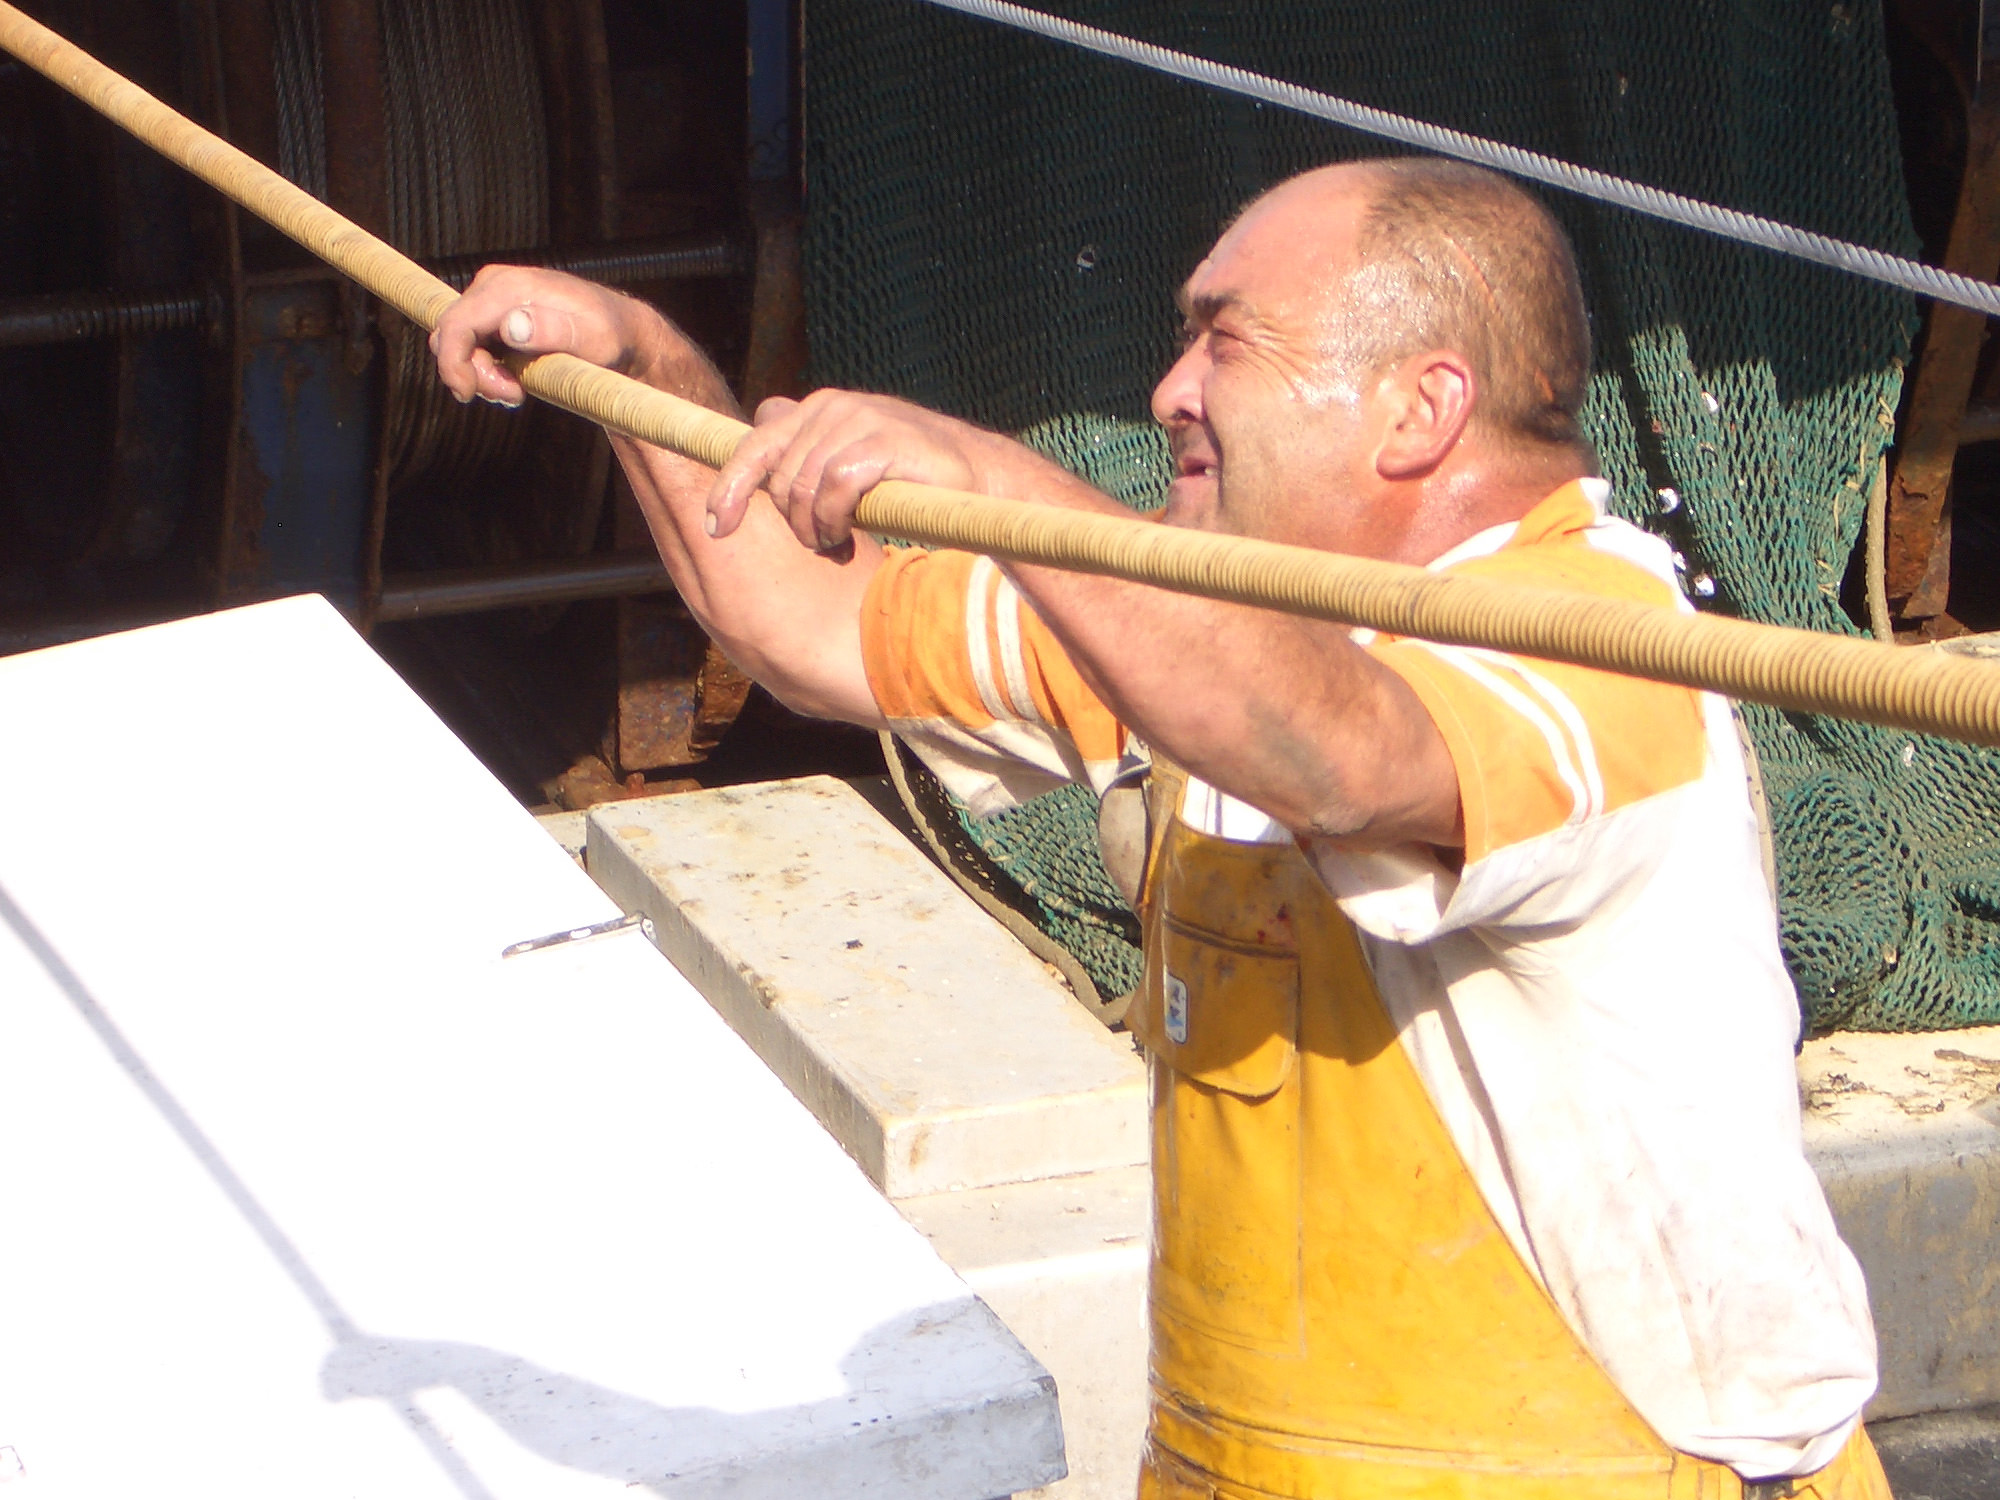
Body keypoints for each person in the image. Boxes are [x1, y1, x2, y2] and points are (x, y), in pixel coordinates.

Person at [434, 157, 1894, 1499]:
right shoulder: (1197, 626)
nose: (1168, 390)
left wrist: (999, 485)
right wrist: (630, 359)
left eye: (1225, 341)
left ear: (1421, 409)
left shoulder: (1601, 644)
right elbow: (811, 623)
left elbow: (1345, 757)